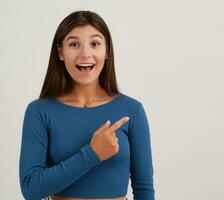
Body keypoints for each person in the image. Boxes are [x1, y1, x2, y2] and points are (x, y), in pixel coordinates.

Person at [18, 10, 155, 200]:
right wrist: (92, 154)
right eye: (74, 44)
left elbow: (144, 190)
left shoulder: (132, 110)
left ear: (107, 51)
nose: (85, 54)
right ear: (60, 52)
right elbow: (30, 189)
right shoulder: (40, 111)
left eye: (95, 44)